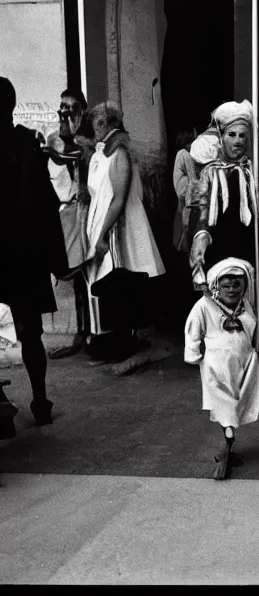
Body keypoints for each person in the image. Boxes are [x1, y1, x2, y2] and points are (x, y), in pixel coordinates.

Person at [0, 77, 68, 425]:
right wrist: (57, 258)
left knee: (30, 332)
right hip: (24, 251)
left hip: (8, 250)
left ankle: (3, 403)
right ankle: (40, 401)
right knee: (31, 332)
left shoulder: (29, 143)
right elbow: (46, 203)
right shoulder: (28, 142)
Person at [84, 101, 166, 362]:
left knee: (117, 282)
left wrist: (102, 235)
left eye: (99, 124)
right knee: (106, 284)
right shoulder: (104, 152)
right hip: (101, 223)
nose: (96, 129)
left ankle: (121, 343)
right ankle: (109, 340)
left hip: (116, 226)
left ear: (111, 124)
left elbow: (119, 200)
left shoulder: (120, 152)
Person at [184, 257, 259, 480]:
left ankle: (229, 442)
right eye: (226, 285)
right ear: (216, 285)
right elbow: (192, 330)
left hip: (243, 364)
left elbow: (251, 327)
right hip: (216, 367)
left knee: (238, 404)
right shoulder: (204, 306)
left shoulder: (245, 305)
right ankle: (227, 444)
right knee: (225, 408)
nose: (232, 290)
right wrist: (193, 354)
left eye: (237, 285)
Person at [185, 100, 258, 290]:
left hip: (245, 245)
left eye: (242, 135)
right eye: (232, 135)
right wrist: (201, 236)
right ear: (222, 138)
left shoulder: (250, 171)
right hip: (218, 246)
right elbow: (199, 211)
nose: (238, 140)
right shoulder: (210, 173)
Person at [44, 88, 95, 360]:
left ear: (82, 110)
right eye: (62, 106)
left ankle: (95, 331)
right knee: (72, 273)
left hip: (86, 212)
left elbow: (78, 157)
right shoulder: (54, 138)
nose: (65, 111)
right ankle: (80, 333)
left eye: (72, 107)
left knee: (89, 272)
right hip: (64, 213)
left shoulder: (88, 142)